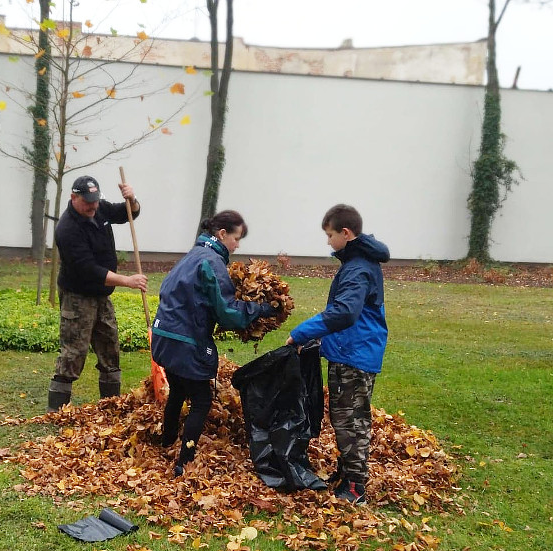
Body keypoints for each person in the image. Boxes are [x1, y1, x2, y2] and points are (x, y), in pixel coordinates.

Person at [150, 210, 277, 477]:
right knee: (201, 398)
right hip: (185, 342)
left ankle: (166, 441)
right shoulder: (211, 262)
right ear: (222, 234)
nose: (237, 245)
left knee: (178, 391)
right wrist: (261, 309)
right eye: (236, 238)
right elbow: (228, 313)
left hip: (164, 337)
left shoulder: (191, 256)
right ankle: (184, 461)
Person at [286, 203, 389, 505]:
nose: (328, 241)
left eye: (330, 235)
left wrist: (302, 333)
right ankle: (347, 473)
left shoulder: (357, 268)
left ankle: (356, 487)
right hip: (352, 349)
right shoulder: (359, 262)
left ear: (345, 233)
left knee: (351, 421)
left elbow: (344, 313)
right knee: (347, 417)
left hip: (354, 357)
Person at [47, 175, 148, 412]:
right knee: (74, 351)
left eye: (95, 201)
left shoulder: (98, 208)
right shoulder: (67, 229)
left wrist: (131, 198)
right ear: (74, 198)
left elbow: (128, 214)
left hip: (101, 295)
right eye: (87, 202)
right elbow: (89, 269)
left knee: (109, 346)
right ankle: (56, 412)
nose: (93, 206)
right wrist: (127, 281)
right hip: (78, 296)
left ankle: (110, 408)